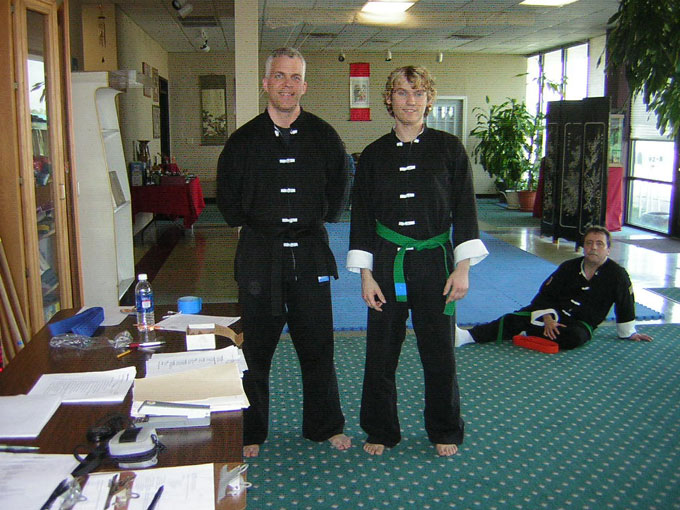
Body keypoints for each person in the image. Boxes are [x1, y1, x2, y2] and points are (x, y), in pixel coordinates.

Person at [216, 47, 351, 458]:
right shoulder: (242, 142)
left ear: (304, 86)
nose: (287, 85)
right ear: (265, 83)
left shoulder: (325, 137)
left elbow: (339, 190)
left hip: (310, 255)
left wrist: (315, 216)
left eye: (294, 77)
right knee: (255, 352)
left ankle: (325, 425)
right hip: (260, 257)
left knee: (318, 348)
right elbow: (228, 202)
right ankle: (251, 431)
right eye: (279, 76)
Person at [347, 66, 488, 457]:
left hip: (435, 263)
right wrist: (365, 275)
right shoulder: (373, 155)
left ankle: (445, 428)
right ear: (388, 99)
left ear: (429, 99)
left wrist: (463, 268)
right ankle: (380, 429)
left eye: (418, 93)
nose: (410, 101)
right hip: (387, 262)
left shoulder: (449, 149)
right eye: (401, 92)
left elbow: (466, 209)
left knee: (439, 353)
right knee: (380, 353)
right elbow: (362, 218)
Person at [456, 226, 653, 350]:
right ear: (584, 246)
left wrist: (628, 332)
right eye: (589, 243)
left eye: (599, 244)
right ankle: (468, 335)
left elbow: (625, 304)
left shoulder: (617, 275)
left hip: (580, 324)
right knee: (513, 319)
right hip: (553, 315)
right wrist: (547, 318)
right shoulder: (569, 267)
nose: (593, 247)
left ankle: (529, 330)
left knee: (574, 338)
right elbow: (545, 295)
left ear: (608, 249)